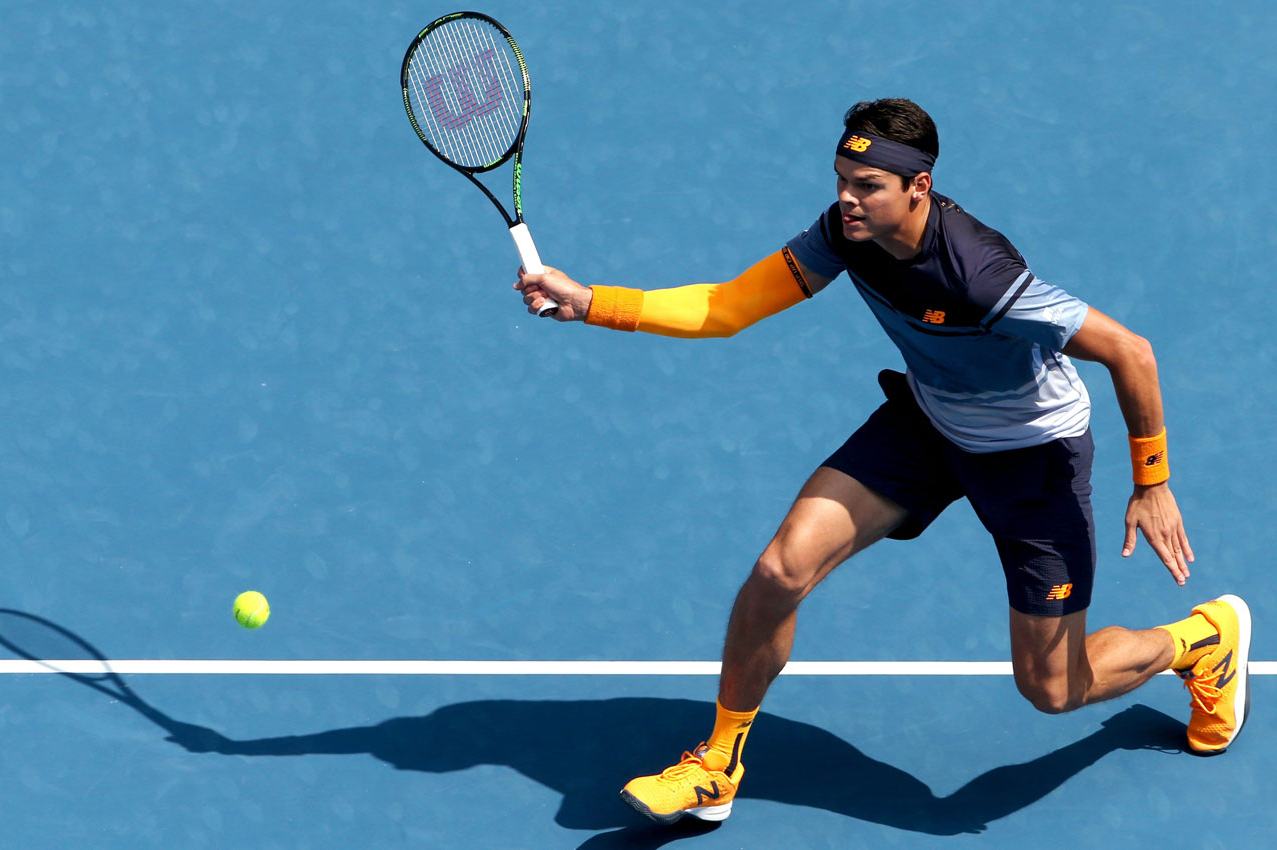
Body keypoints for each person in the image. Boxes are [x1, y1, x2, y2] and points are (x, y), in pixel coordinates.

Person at [513, 98, 1251, 826]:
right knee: (779, 571)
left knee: (1053, 688)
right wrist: (592, 302)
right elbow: (728, 307)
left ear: (918, 188)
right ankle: (718, 763)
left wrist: (1152, 482)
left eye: (866, 186)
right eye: (841, 179)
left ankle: (1202, 641)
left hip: (1033, 457)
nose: (846, 198)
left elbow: (1131, 351)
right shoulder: (844, 233)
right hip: (928, 426)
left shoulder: (980, 276)